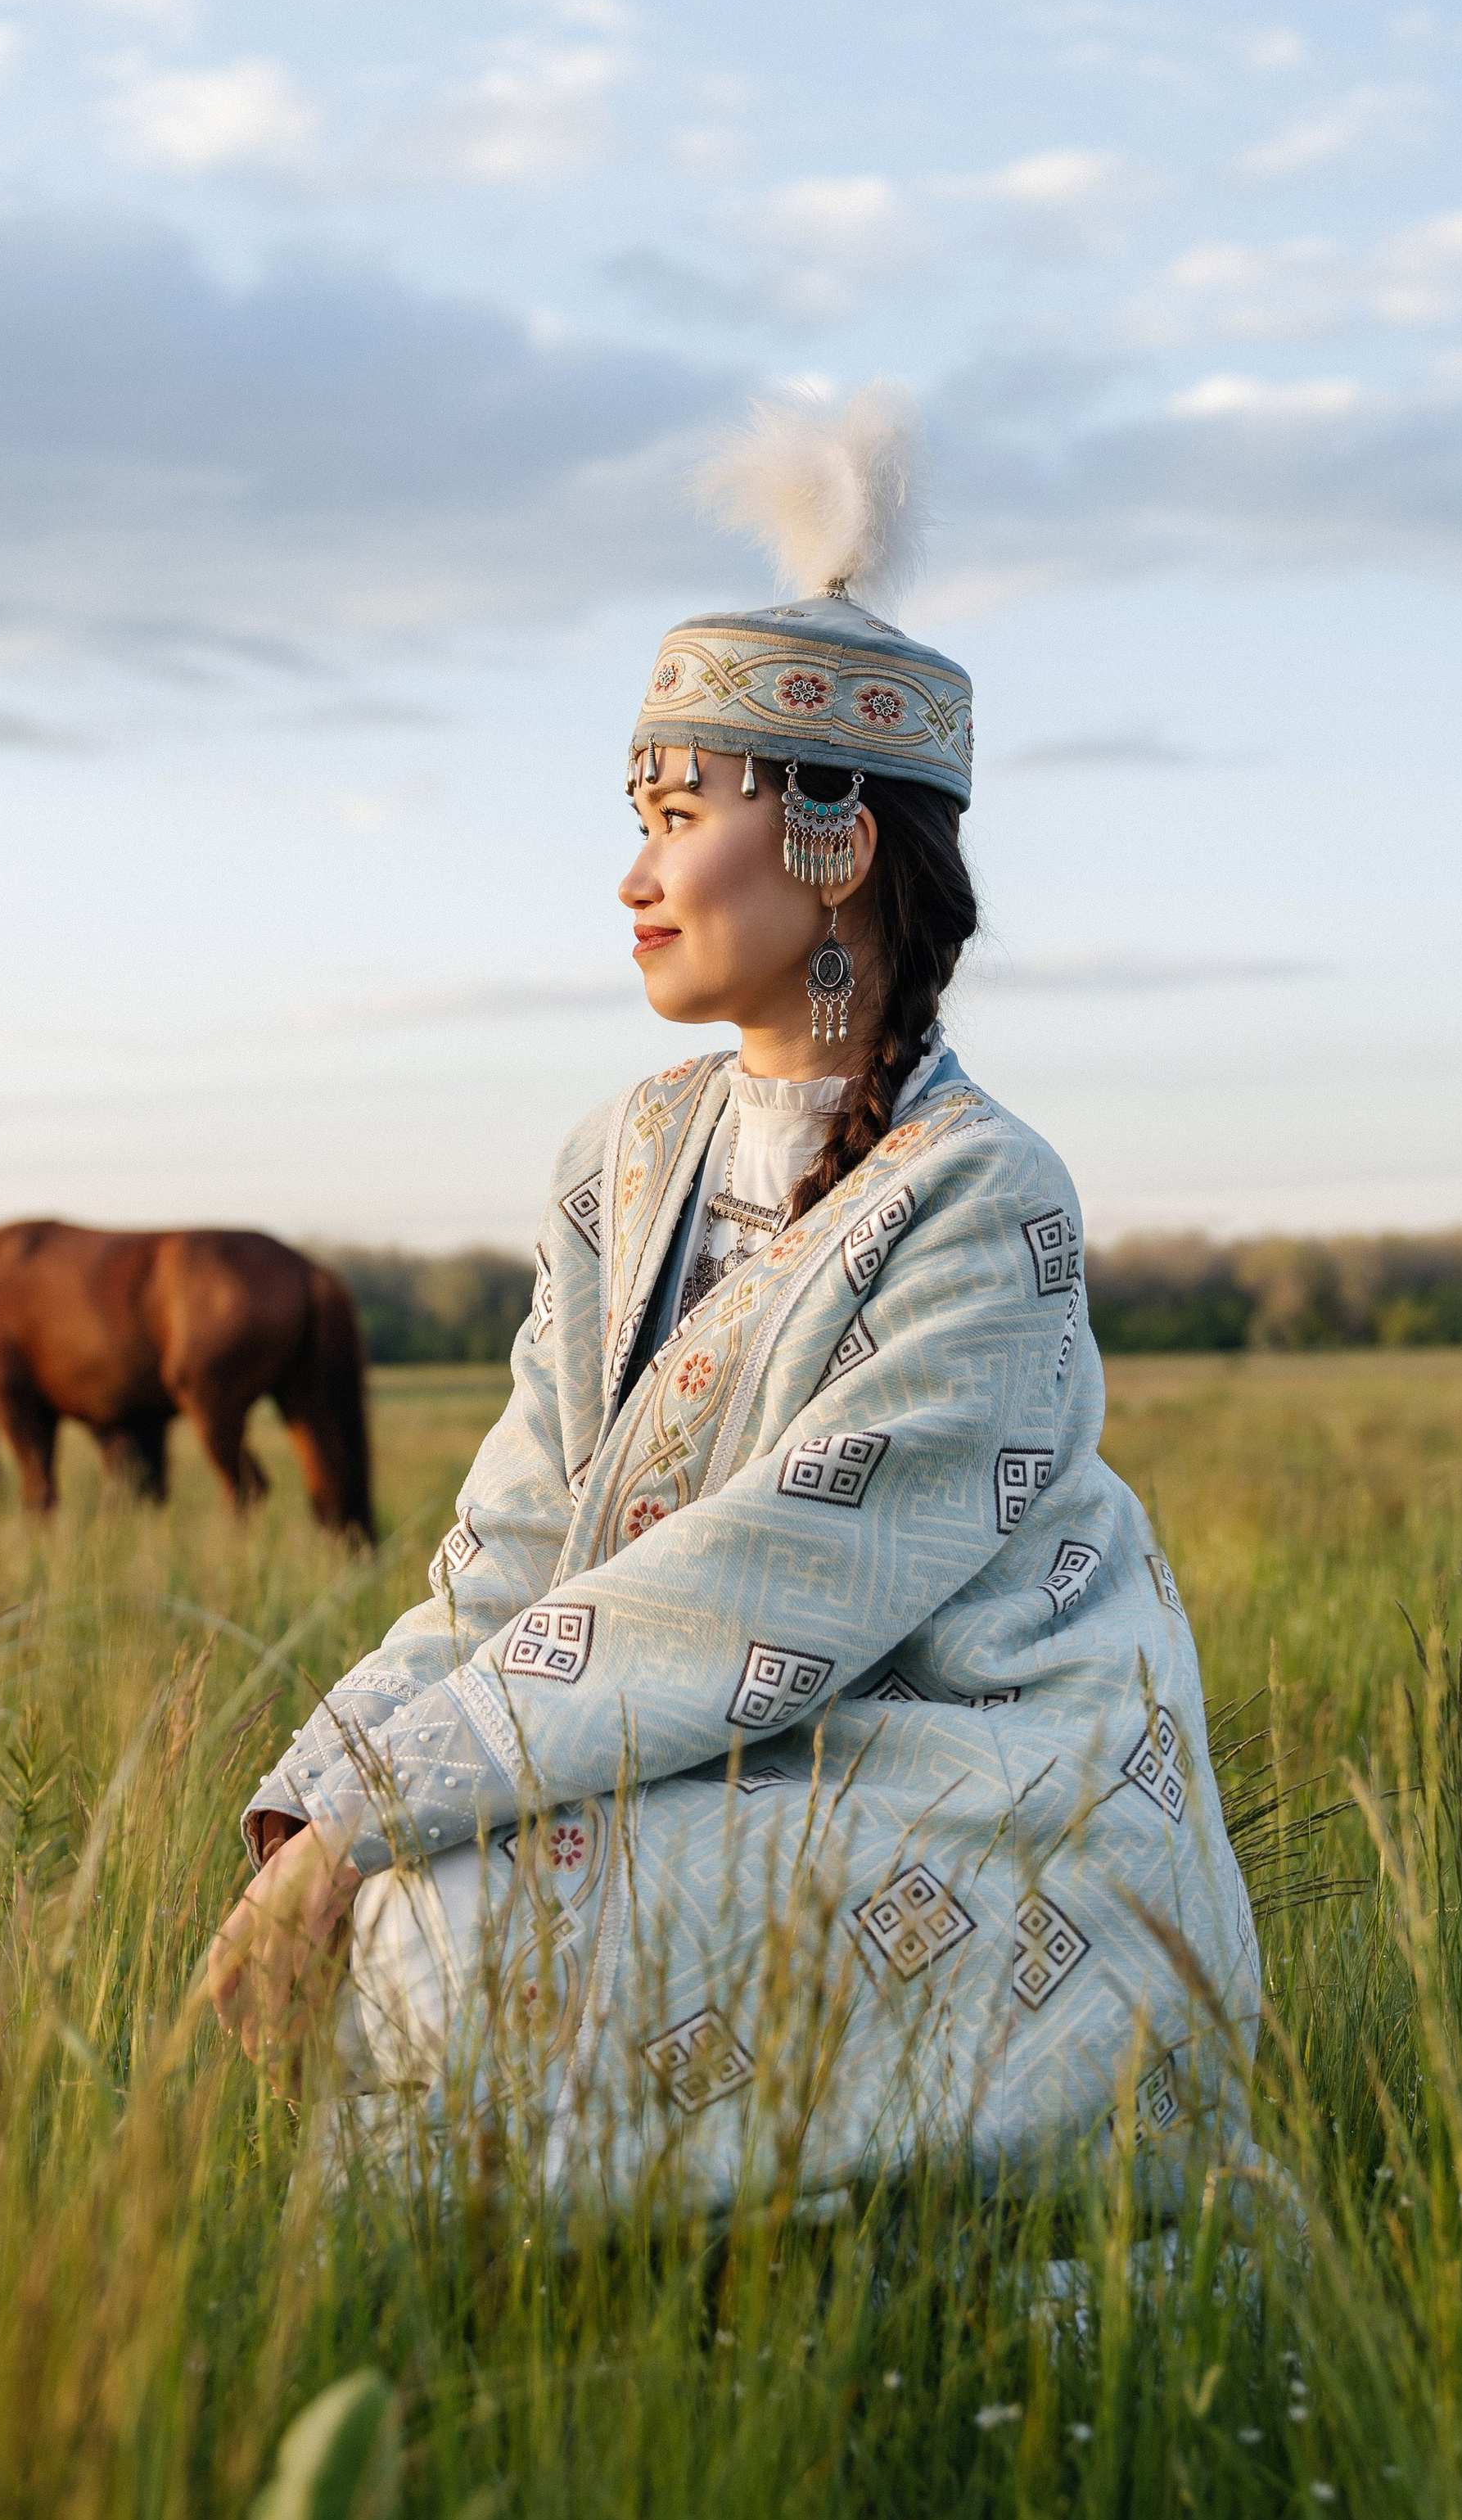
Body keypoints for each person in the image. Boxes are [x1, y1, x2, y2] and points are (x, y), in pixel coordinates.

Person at [210, 386, 1263, 2220]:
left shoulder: (982, 1196)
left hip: (979, 1781)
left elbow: (753, 1596)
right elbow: (513, 1546)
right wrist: (320, 1803)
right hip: (725, 1745)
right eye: (635, 812)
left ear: (837, 844)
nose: (630, 872)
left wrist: (384, 1819)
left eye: (679, 811)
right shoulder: (620, 1159)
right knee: (393, 1903)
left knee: (455, 1945)